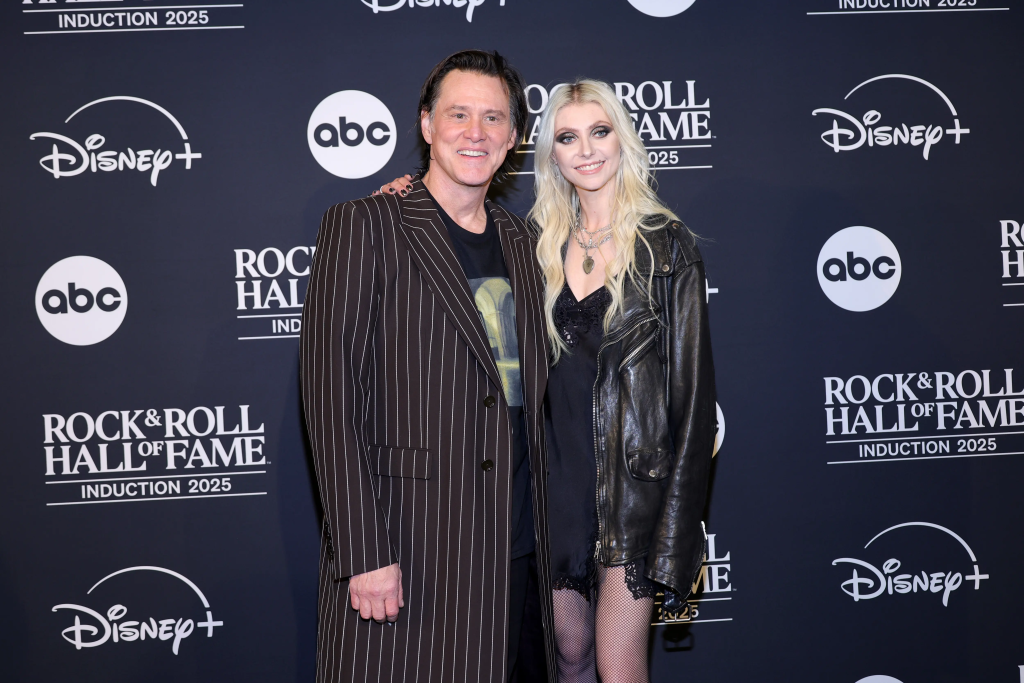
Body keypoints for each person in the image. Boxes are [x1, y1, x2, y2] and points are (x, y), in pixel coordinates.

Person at [378, 78, 716, 683]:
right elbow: (453, 239)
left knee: (619, 665)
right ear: (549, 154)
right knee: (570, 656)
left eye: (599, 132)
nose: (585, 150)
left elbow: (693, 406)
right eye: (567, 137)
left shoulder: (667, 248)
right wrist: (405, 199)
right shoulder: (531, 245)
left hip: (631, 496)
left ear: (622, 140)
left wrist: (675, 532)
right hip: (550, 491)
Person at [300, 50, 557, 683]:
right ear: (426, 124)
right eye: (458, 114)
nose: (476, 132)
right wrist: (363, 550)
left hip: (520, 553)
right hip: (410, 550)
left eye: (494, 118)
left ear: (514, 137)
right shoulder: (365, 225)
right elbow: (331, 401)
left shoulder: (527, 242)